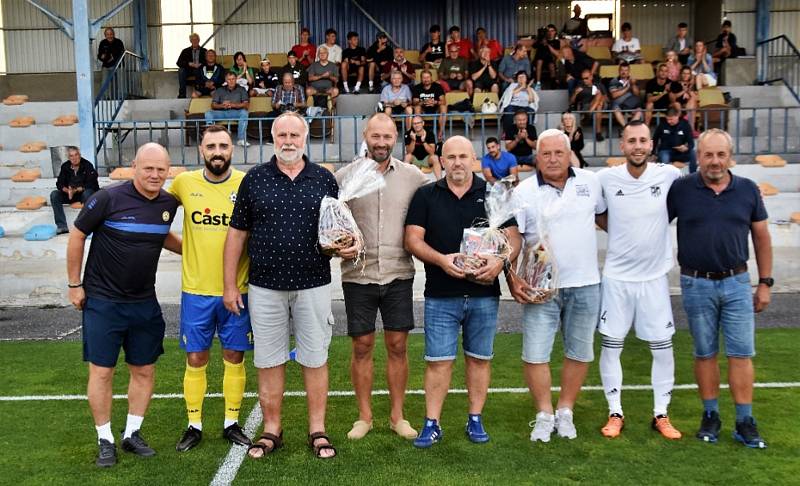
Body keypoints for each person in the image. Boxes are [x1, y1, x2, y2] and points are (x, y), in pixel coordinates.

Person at [224, 112, 350, 460]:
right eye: (282, 134)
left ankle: (317, 430)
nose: (289, 140)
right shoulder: (254, 179)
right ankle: (271, 429)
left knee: (315, 359)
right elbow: (236, 234)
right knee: (269, 361)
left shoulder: (325, 180)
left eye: (295, 134)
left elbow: (338, 229)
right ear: (273, 138)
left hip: (314, 284)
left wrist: (349, 245)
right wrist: (229, 285)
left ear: (306, 138)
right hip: (264, 287)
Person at [67, 143, 180, 467]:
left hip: (144, 302)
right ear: (134, 166)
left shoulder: (168, 204)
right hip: (103, 302)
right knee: (102, 372)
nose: (155, 175)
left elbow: (161, 235)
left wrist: (196, 251)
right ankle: (105, 439)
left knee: (144, 369)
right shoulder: (107, 198)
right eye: (149, 168)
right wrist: (75, 284)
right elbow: (76, 236)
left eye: (161, 169)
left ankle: (132, 433)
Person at [405, 135, 521, 448]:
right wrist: (442, 260)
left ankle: (475, 418)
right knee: (438, 360)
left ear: (474, 159)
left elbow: (514, 239)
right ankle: (432, 423)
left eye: (463, 156)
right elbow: (412, 240)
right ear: (441, 160)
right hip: (441, 293)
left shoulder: (494, 194)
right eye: (450, 156)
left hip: (484, 293)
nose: (457, 162)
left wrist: (499, 263)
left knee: (479, 359)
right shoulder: (426, 195)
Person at [667, 128, 772, 449]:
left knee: (741, 354)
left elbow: (762, 238)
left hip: (737, 283)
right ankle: (710, 415)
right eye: (708, 155)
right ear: (698, 157)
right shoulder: (681, 190)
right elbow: (649, 224)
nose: (715, 161)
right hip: (695, 283)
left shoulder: (748, 190)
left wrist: (765, 283)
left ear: (731, 157)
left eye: (721, 154)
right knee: (705, 353)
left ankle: (745, 420)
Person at [507, 129, 606, 443]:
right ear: (537, 157)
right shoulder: (523, 192)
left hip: (586, 283)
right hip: (541, 287)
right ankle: (544, 414)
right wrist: (512, 277)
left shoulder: (591, 183)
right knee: (535, 353)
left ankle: (565, 410)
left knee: (579, 351)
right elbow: (513, 239)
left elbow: (608, 220)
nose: (552, 159)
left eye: (558, 153)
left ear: (569, 154)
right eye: (545, 154)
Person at [336, 113, 429, 441]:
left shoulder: (413, 177)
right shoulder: (344, 177)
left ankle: (397, 416)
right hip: (357, 274)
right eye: (375, 136)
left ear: (396, 138)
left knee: (398, 345)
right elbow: (330, 224)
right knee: (361, 345)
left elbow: (435, 208)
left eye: (387, 137)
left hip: (398, 273)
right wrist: (336, 247)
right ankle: (365, 417)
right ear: (365, 136)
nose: (381, 142)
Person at [596, 121, 683, 441]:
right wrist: (618, 230)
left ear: (651, 144)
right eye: (631, 140)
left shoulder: (669, 175)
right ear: (622, 145)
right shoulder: (606, 178)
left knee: (662, 349)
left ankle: (661, 413)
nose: (637, 146)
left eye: (643, 140)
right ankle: (615, 411)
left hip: (654, 279)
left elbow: (682, 205)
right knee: (611, 346)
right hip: (617, 278)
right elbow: (596, 212)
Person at [170, 125, 252, 452]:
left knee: (234, 355)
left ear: (232, 149)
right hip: (196, 291)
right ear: (201, 150)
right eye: (211, 146)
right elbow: (157, 217)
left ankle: (231, 422)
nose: (217, 151)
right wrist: (184, 248)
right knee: (196, 357)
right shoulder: (183, 183)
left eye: (223, 145)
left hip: (238, 290)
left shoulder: (247, 183)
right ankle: (194, 425)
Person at [50, 146, 99, 235]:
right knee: (54, 195)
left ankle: (88, 224)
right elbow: (59, 183)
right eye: (71, 156)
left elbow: (92, 183)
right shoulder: (65, 166)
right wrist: (67, 190)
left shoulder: (87, 165)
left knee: (88, 193)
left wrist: (76, 190)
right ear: (69, 157)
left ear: (79, 155)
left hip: (83, 193)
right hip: (70, 194)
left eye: (76, 155)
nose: (74, 158)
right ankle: (62, 226)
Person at [205, 71, 250, 147]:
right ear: (226, 80)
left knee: (244, 113)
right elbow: (213, 105)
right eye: (229, 79)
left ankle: (241, 139)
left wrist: (233, 105)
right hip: (222, 112)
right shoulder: (220, 90)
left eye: (233, 79)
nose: (231, 81)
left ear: (236, 79)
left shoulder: (242, 89)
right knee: (209, 113)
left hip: (236, 112)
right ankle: (211, 139)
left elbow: (246, 105)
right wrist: (223, 105)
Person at [653, 107, 696, 172]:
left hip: (680, 152)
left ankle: (693, 175)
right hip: (666, 150)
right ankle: (666, 178)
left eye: (671, 119)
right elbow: (655, 139)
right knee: (665, 158)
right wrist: (653, 153)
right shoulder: (662, 124)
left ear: (677, 116)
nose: (669, 121)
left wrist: (686, 148)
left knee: (693, 153)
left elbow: (691, 143)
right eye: (667, 119)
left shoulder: (685, 125)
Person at [570, 68, 607, 141]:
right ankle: (598, 133)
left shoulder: (599, 85)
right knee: (598, 105)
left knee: (599, 97)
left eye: (586, 78)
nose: (584, 80)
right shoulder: (580, 87)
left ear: (591, 77)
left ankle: (588, 114)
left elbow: (607, 99)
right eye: (583, 79)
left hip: (601, 105)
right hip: (586, 106)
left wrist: (600, 97)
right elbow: (571, 102)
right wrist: (575, 93)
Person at [499, 71, 539, 136]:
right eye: (519, 77)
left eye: (523, 77)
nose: (521, 79)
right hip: (513, 105)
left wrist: (527, 87)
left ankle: (527, 132)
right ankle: (506, 132)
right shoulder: (513, 85)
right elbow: (512, 93)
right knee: (508, 111)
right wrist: (521, 87)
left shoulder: (530, 88)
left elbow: (531, 100)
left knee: (531, 111)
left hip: (525, 106)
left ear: (526, 79)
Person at [411, 70, 447, 140]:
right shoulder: (417, 87)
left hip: (436, 108)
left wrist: (435, 102)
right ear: (421, 79)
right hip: (423, 109)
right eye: (424, 78)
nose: (426, 79)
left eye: (428, 77)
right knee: (417, 107)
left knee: (443, 107)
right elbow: (414, 102)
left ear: (431, 78)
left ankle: (441, 132)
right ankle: (419, 132)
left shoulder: (437, 86)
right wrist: (424, 101)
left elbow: (443, 101)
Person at [608, 62, 642, 128]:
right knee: (616, 110)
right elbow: (614, 95)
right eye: (622, 70)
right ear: (619, 71)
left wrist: (633, 84)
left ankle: (629, 128)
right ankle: (626, 128)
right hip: (618, 105)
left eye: (626, 70)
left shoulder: (633, 80)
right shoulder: (614, 81)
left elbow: (637, 94)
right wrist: (627, 88)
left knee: (639, 111)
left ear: (629, 71)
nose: (624, 72)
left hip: (631, 105)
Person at [669, 66, 698, 133]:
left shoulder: (692, 85)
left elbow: (696, 97)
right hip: (677, 105)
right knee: (678, 104)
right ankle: (691, 129)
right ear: (681, 74)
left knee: (693, 100)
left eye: (688, 74)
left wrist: (689, 90)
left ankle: (691, 127)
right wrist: (683, 91)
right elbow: (673, 98)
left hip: (689, 106)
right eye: (684, 73)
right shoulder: (675, 84)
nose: (686, 75)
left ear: (690, 75)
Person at [177, 33, 206, 98]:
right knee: (181, 70)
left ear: (199, 40)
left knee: (199, 71)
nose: (195, 41)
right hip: (188, 70)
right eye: (193, 40)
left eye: (196, 39)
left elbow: (208, 61)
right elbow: (178, 62)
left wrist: (201, 64)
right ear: (190, 41)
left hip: (200, 69)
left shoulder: (204, 51)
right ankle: (182, 94)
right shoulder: (185, 51)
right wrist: (189, 64)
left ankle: (199, 92)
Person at [533, 25, 561, 90]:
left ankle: (553, 83)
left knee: (551, 63)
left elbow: (556, 53)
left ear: (555, 32)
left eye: (552, 31)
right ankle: (538, 83)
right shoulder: (541, 40)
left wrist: (547, 44)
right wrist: (539, 38)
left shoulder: (556, 42)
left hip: (550, 59)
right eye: (548, 31)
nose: (550, 32)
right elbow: (534, 46)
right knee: (540, 60)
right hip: (539, 60)